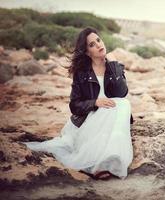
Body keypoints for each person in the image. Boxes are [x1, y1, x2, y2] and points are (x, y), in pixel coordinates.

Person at [22, 27, 134, 180]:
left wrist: (113, 64)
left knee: (123, 103)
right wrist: (95, 102)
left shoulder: (115, 67)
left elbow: (121, 93)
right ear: (87, 52)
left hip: (110, 117)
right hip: (88, 121)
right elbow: (74, 105)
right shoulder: (82, 73)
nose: (99, 45)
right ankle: (98, 166)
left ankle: (109, 159)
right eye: (92, 44)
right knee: (120, 105)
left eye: (98, 40)